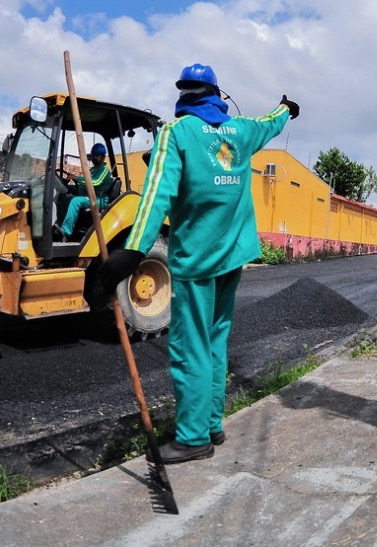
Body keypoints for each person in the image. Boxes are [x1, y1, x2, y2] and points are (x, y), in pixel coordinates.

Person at [99, 63, 298, 464]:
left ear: (183, 95)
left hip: (196, 260)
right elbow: (269, 122)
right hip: (233, 257)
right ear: (216, 95)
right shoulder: (240, 132)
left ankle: (192, 439)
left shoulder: (177, 134)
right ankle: (211, 423)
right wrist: (286, 109)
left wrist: (134, 251)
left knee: (190, 345)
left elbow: (156, 194)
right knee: (215, 339)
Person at [56, 142, 112, 241]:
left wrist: (77, 178)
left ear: (103, 157)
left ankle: (66, 232)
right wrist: (72, 182)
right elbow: (85, 182)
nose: (94, 158)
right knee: (64, 199)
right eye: (93, 156)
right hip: (89, 196)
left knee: (76, 201)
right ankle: (59, 228)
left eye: (97, 156)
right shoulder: (93, 170)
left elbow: (95, 182)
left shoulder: (104, 170)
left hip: (98, 199)